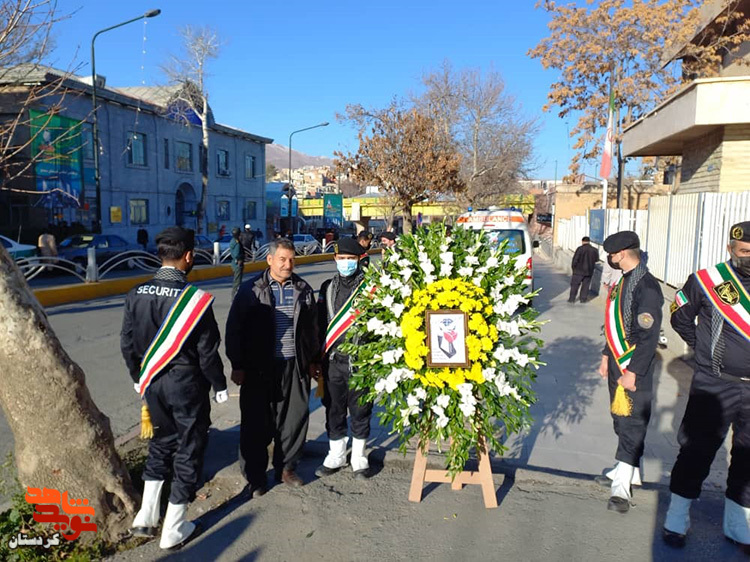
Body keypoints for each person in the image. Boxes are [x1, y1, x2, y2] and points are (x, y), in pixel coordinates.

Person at [120, 226, 227, 549]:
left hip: (152, 383)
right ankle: (174, 528)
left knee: (161, 443)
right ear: (189, 256)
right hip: (187, 385)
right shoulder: (195, 300)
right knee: (189, 449)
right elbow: (208, 352)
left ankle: (146, 516)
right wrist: (219, 384)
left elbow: (127, 343)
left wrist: (138, 376)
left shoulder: (136, 293)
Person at [662, 221, 750, 553]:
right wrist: (704, 351)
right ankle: (677, 517)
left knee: (747, 457)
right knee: (696, 451)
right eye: (744, 251)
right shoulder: (707, 281)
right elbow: (680, 316)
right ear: (730, 249)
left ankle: (738, 525)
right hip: (715, 383)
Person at [226, 237, 321, 496]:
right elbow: (234, 329)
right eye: (282, 259)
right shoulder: (251, 290)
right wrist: (237, 364)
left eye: (291, 260)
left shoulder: (303, 289)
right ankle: (256, 477)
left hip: (294, 365)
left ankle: (286, 468)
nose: (287, 265)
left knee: (293, 420)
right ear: (269, 260)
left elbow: (313, 329)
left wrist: (313, 360)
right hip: (258, 368)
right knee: (256, 423)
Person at [595, 230, 663, 513]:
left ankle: (621, 489)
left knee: (632, 422)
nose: (610, 259)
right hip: (617, 360)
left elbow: (649, 335)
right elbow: (616, 325)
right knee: (619, 418)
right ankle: (629, 471)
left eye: (611, 255)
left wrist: (633, 371)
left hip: (634, 364)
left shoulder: (646, 286)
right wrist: (605, 355)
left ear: (621, 254)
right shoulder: (624, 280)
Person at [315, 238, 373, 480]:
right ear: (335, 259)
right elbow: (319, 324)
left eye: (350, 259)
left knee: (361, 410)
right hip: (333, 361)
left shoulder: (371, 287)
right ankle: (336, 455)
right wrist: (316, 359)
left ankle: (359, 457)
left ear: (359, 259)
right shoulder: (327, 287)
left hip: (361, 361)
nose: (346, 263)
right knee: (334, 408)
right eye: (341, 258)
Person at [569, 236, 599, 303]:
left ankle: (572, 299)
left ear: (582, 241)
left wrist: (574, 268)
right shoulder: (594, 250)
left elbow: (575, 260)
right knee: (586, 286)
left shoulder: (579, 249)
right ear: (589, 241)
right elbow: (596, 259)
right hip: (589, 271)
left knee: (575, 285)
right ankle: (583, 299)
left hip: (578, 271)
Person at [229, 227, 244, 299]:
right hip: (237, 263)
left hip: (234, 263)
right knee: (237, 282)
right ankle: (235, 298)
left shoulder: (233, 240)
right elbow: (236, 254)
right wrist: (240, 258)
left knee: (237, 281)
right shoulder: (237, 242)